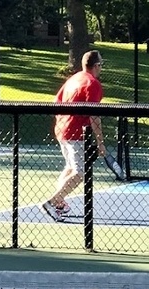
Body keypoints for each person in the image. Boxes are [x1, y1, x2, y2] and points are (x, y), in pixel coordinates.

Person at [41, 50, 107, 221]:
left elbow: (57, 102)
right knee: (79, 173)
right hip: (74, 133)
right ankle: (52, 202)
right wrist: (101, 143)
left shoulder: (74, 78)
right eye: (101, 64)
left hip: (62, 130)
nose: (101, 67)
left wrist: (62, 123)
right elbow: (94, 116)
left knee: (70, 168)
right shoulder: (93, 84)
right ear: (97, 65)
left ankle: (59, 203)